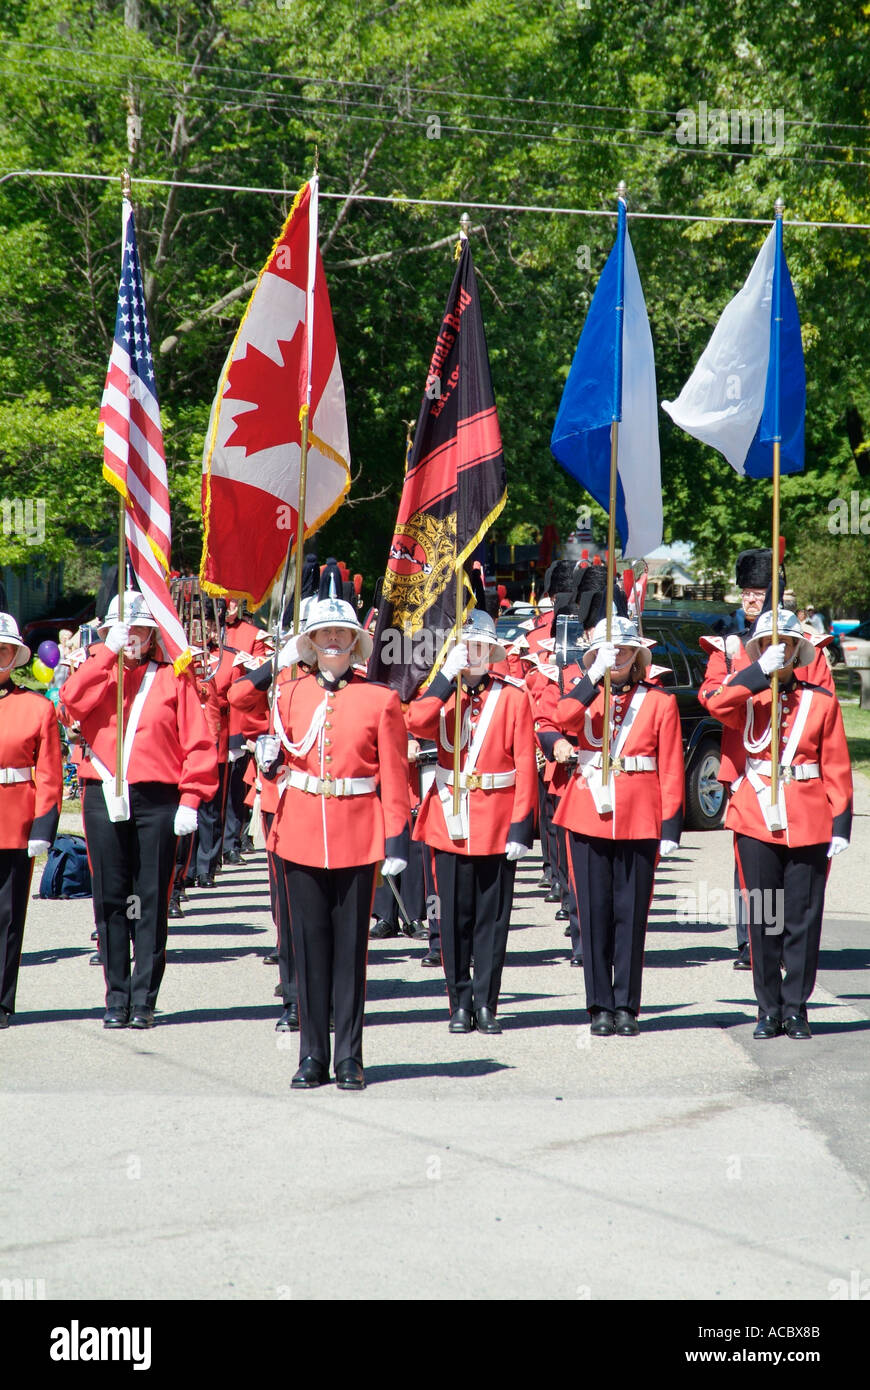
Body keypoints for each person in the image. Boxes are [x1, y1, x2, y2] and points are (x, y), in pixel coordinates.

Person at [256, 594, 411, 1090]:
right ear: (312, 643)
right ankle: (311, 1057)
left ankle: (349, 1057)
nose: (333, 641)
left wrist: (396, 841)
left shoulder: (379, 698)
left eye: (341, 634)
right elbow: (234, 703)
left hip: (357, 834)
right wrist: (272, 666)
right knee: (308, 951)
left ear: (354, 643)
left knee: (351, 953)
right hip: (300, 833)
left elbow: (394, 773)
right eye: (324, 634)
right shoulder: (288, 694)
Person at [60, 592, 218, 1029]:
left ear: (152, 637)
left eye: (140, 630)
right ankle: (116, 996)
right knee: (111, 897)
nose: (132, 638)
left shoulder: (173, 679)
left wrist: (191, 798)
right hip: (103, 792)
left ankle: (144, 998)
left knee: (149, 898)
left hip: (156, 799)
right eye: (124, 630)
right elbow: (71, 702)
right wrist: (107, 652)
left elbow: (198, 743)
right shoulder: (95, 672)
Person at [701, 608, 852, 1039]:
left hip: (808, 817)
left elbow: (837, 765)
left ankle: (796, 1007)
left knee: (802, 918)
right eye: (767, 644)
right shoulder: (747, 696)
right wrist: (752, 675)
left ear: (797, 650)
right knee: (765, 917)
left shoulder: (819, 701)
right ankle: (767, 1008)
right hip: (755, 817)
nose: (776, 651)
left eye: (784, 644)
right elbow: (715, 703)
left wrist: (840, 824)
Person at [699, 548, 834, 969]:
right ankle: (750, 942)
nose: (750, 600)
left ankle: (787, 944)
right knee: (749, 863)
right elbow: (711, 695)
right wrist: (753, 671)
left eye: (758, 593)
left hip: (793, 766)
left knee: (792, 858)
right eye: (746, 593)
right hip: (743, 764)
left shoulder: (807, 646)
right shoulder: (728, 645)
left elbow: (821, 699)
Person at [550, 616, 685, 1037]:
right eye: (613, 650)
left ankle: (627, 1005)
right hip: (588, 811)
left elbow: (672, 768)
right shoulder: (586, 695)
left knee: (631, 915)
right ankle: (599, 1007)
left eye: (626, 650)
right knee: (593, 914)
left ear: (638, 657)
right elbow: (563, 716)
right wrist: (591, 676)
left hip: (640, 814)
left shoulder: (659, 702)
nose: (620, 656)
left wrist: (670, 827)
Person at [406, 610, 537, 1034]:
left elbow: (524, 767)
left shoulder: (513, 697)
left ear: (492, 653)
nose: (474, 655)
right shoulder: (441, 694)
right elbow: (414, 722)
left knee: (492, 919)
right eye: (468, 647)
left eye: (481, 648)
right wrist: (445, 676)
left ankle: (486, 1003)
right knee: (452, 918)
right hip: (450, 816)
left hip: (498, 822)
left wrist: (521, 826)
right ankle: (458, 1002)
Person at [0, 613, 63, 1027]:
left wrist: (43, 826)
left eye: (1, 650)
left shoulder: (37, 707)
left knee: (6, 916)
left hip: (13, 821)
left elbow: (50, 773)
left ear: (13, 657)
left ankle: (2, 1000)